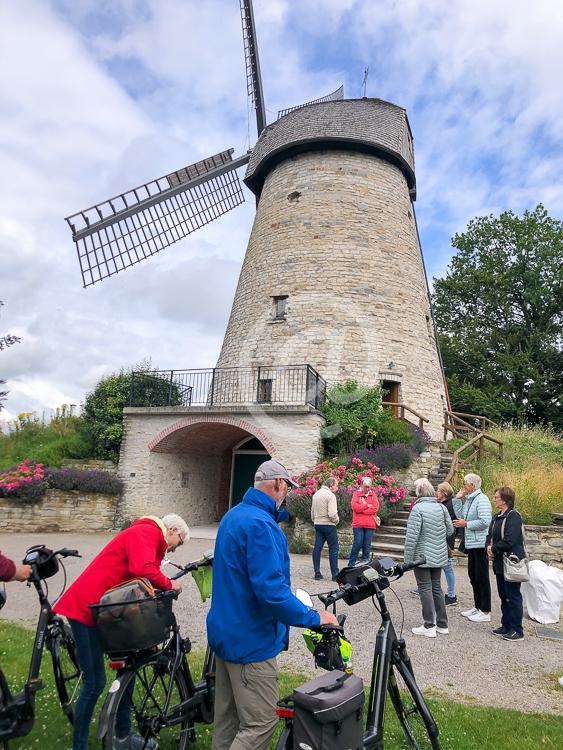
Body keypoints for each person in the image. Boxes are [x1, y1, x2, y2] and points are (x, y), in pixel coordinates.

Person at [207, 459, 338, 750]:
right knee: (260, 724)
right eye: (286, 488)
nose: (287, 494)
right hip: (250, 640)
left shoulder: (234, 515)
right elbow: (272, 594)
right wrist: (314, 617)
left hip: (225, 633)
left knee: (227, 722)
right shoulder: (262, 526)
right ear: (279, 484)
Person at [53, 514, 188, 750]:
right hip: (87, 611)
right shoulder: (146, 532)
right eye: (180, 541)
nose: (176, 549)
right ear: (173, 530)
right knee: (94, 683)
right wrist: (170, 584)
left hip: (106, 613)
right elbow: (142, 569)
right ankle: (79, 746)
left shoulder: (148, 537)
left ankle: (124, 736)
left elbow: (138, 580)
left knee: (130, 666)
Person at [404, 478, 454, 638]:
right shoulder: (441, 508)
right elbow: (450, 530)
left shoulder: (417, 510)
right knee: (437, 588)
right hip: (439, 555)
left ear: (418, 493)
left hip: (422, 556)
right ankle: (442, 624)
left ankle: (429, 625)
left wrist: (407, 561)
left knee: (425, 588)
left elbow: (411, 538)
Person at [486, 487, 525, 642]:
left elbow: (510, 539)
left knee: (513, 595)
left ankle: (517, 629)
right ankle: (506, 625)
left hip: (511, 562)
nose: (494, 499)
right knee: (504, 595)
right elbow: (490, 535)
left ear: (504, 499)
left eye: (496, 497)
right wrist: (488, 548)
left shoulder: (513, 517)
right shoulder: (497, 517)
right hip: (499, 562)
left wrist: (493, 549)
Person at [452, 473, 493, 623]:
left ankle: (486, 610)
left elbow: (485, 521)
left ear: (472, 486)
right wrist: (457, 499)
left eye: (465, 484)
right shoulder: (470, 499)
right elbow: (460, 515)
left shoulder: (482, 499)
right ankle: (478, 606)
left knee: (482, 576)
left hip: (480, 543)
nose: (463, 486)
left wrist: (467, 524)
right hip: (471, 543)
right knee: (473, 575)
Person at [311, 476, 340, 581]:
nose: (337, 488)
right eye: (336, 485)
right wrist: (337, 520)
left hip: (318, 524)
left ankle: (317, 573)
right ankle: (335, 575)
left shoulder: (316, 494)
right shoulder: (330, 495)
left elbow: (312, 512)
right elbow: (332, 514)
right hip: (329, 524)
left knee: (317, 548)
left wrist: (315, 520)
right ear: (331, 485)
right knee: (334, 548)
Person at [348, 476, 380, 567]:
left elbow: (375, 508)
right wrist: (366, 505)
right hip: (358, 524)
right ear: (361, 485)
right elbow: (355, 507)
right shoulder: (356, 494)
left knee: (367, 546)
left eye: (369, 486)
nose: (367, 488)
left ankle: (365, 565)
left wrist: (362, 508)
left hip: (370, 525)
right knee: (357, 543)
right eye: (366, 486)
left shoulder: (373, 494)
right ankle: (351, 564)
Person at [436, 481, 458, 605]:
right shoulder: (444, 503)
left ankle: (451, 595)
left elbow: (451, 525)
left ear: (444, 493)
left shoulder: (449, 505)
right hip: (443, 540)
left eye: (438, 491)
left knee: (448, 567)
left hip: (446, 541)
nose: (436, 493)